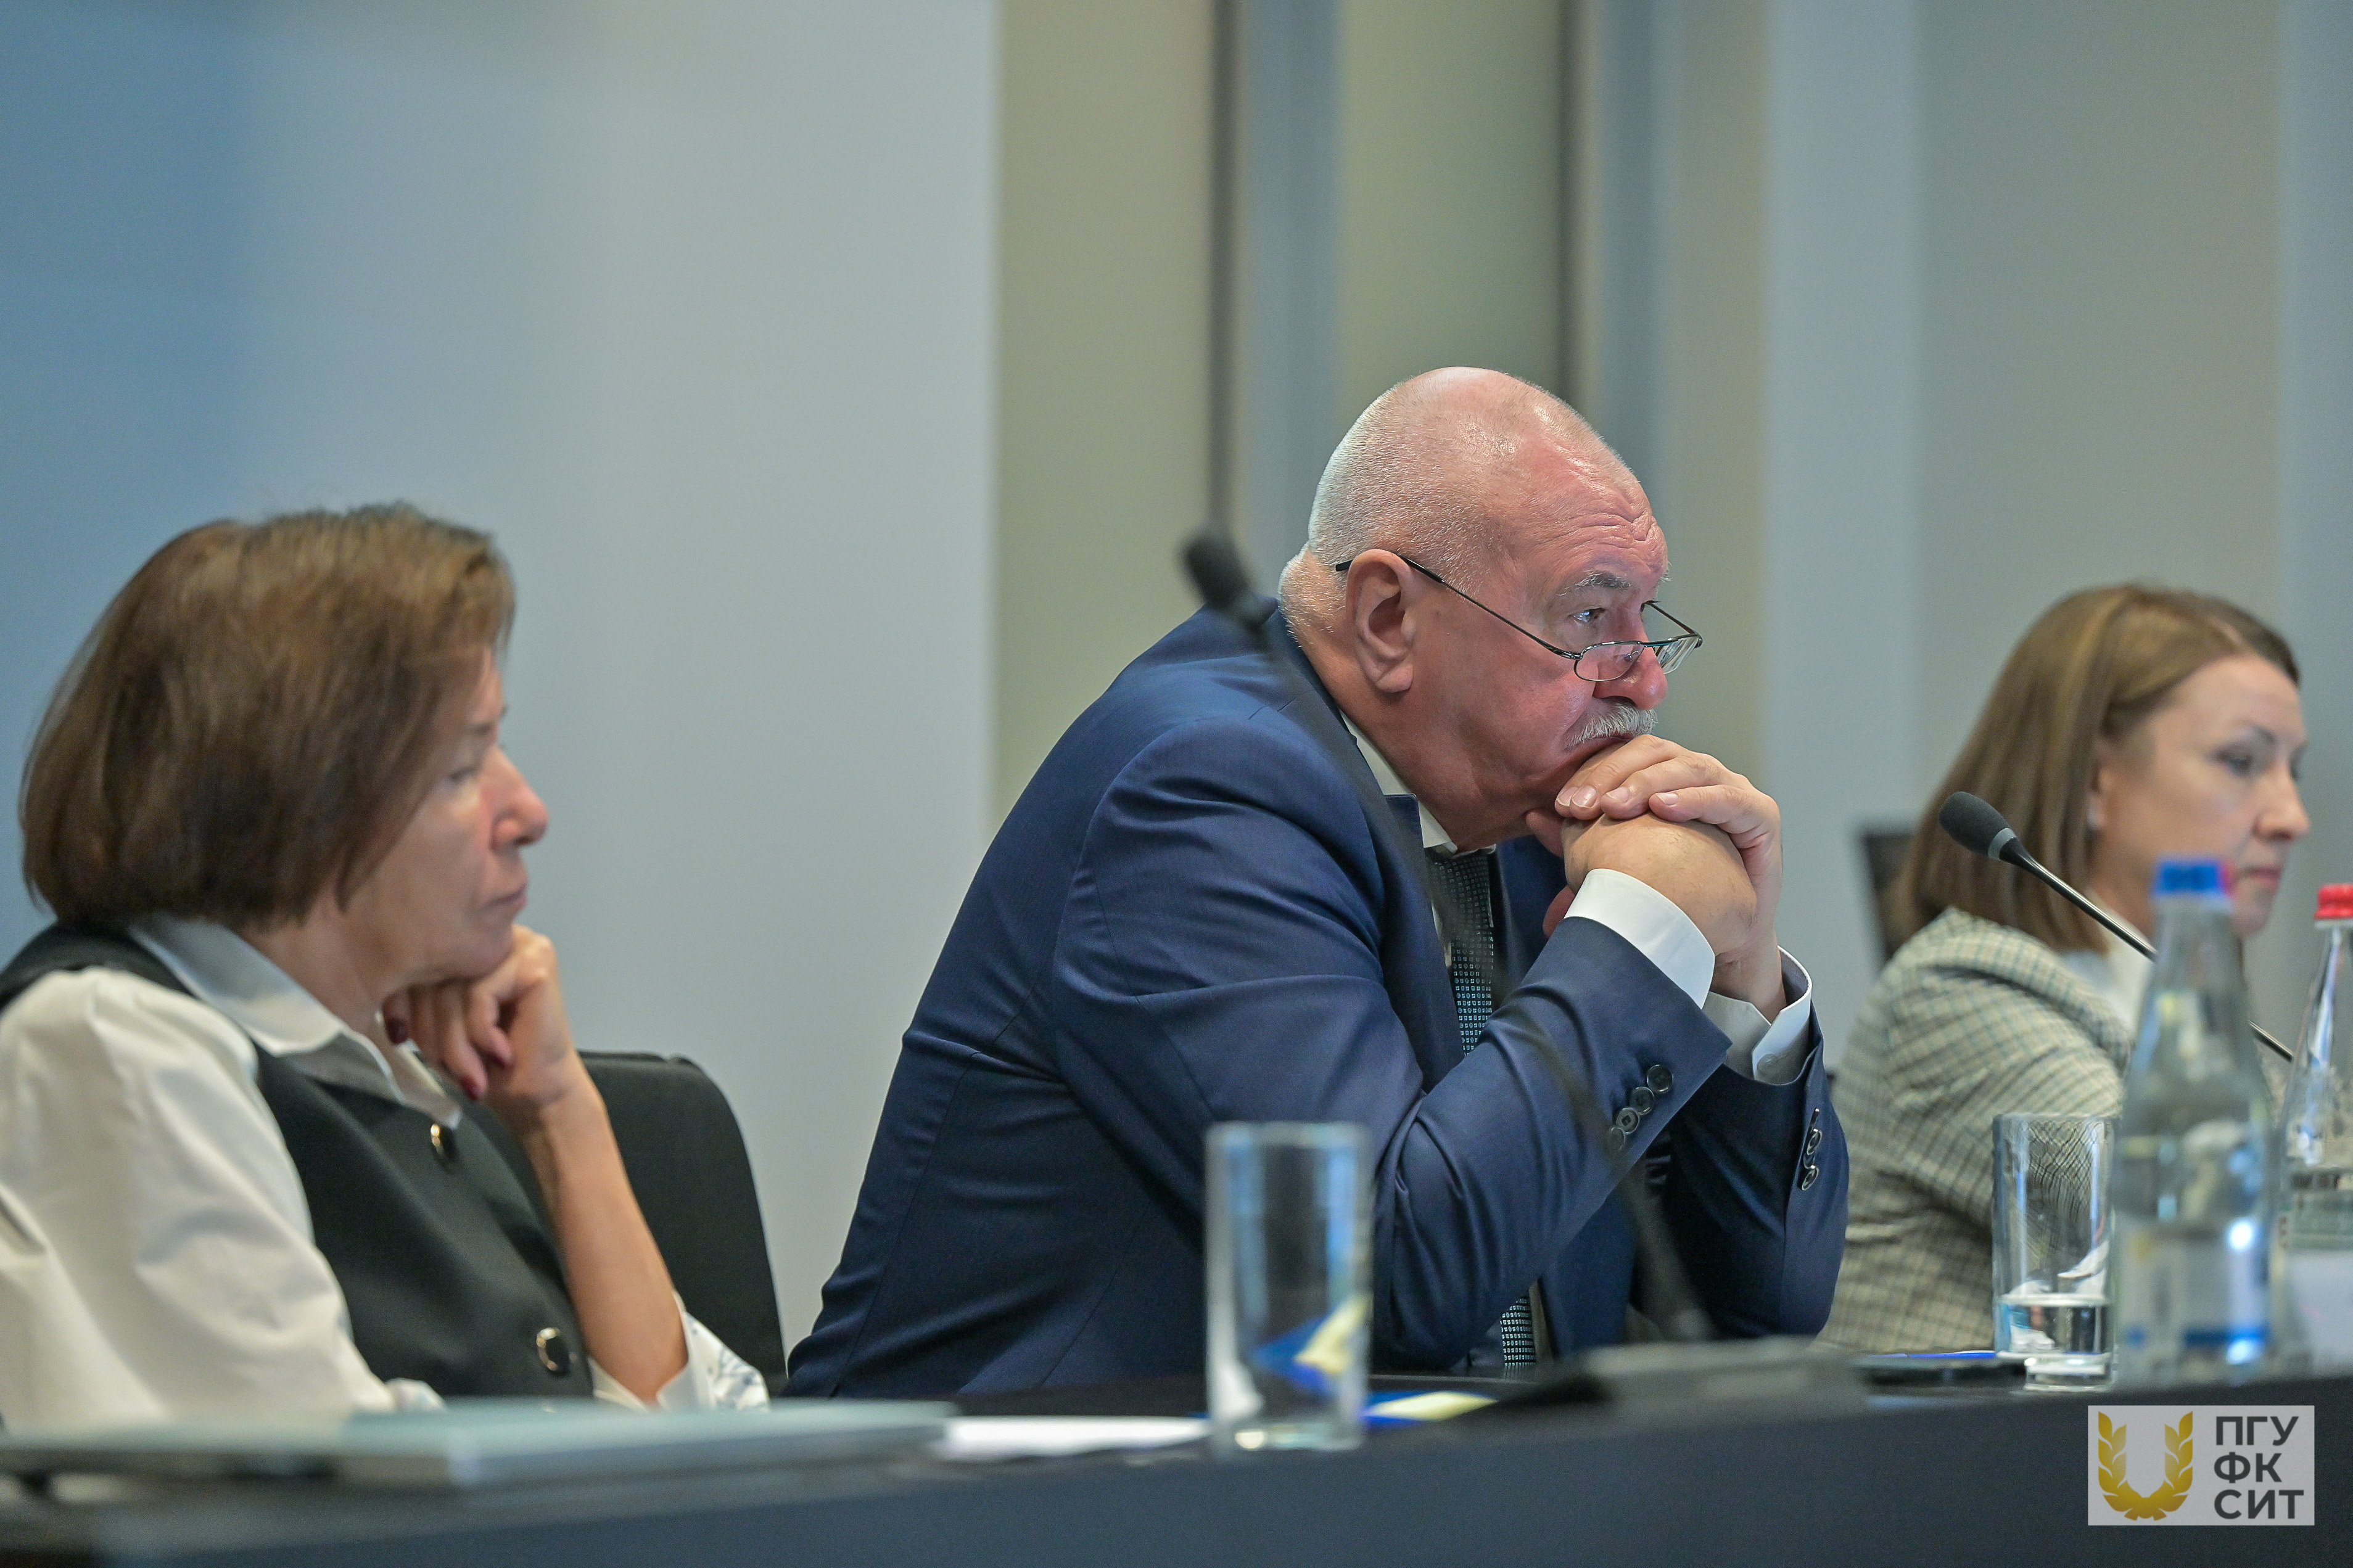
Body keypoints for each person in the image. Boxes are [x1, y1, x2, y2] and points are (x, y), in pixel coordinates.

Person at [789, 368, 1844, 1397]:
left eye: (1647, 617)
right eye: (1587, 618)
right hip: (1037, 1490)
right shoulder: (1200, 794)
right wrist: (1643, 928)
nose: (1646, 680)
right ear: (1387, 617)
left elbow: (1762, 1318)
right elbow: (1393, 1288)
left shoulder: (1543, 818)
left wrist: (1735, 975)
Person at [0, 505, 768, 1422]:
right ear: (303, 803)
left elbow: (720, 1453)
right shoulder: (112, 1049)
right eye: (462, 768)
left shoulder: (401, 1074)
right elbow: (340, 1485)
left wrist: (561, 1113)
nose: (528, 811)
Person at [1823, 585, 2309, 1352]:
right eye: (2240, 761)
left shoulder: (2187, 1005)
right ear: (2090, 781)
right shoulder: (1962, 990)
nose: (2290, 817)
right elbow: (2202, 1247)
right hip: (1979, 1435)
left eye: (2292, 770)